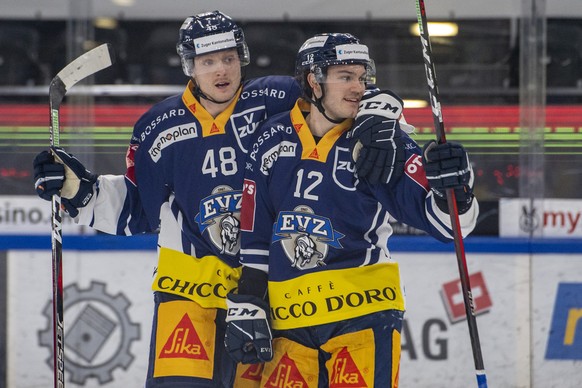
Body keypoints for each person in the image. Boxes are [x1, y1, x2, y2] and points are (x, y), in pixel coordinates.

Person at [32, 10, 302, 388]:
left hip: (270, 289)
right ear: (189, 65)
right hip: (189, 293)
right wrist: (78, 189)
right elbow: (138, 210)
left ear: (241, 57)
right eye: (208, 61)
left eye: (227, 58)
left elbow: (342, 102)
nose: (221, 70)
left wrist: (377, 117)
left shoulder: (280, 99)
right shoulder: (158, 127)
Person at [223, 33, 479, 387]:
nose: (358, 87)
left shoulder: (379, 140)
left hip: (361, 314)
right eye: (345, 76)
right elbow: (257, 229)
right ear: (314, 81)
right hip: (289, 322)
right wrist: (249, 299)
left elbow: (446, 224)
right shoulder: (272, 137)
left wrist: (455, 191)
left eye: (362, 77)